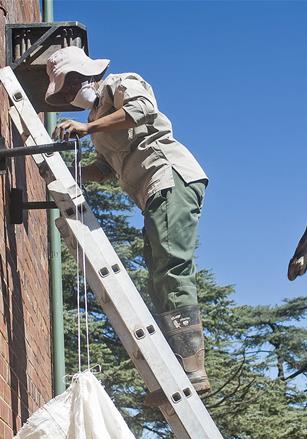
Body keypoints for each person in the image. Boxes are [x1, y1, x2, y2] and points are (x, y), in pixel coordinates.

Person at [43, 46, 210, 393]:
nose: (70, 93)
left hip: (170, 177)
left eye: (70, 83)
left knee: (171, 266)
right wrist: (66, 168)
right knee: (158, 273)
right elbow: (105, 169)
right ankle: (178, 364)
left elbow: (141, 110)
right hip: (152, 193)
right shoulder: (97, 123)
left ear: (85, 74)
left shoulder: (121, 83)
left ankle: (192, 365)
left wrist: (87, 128)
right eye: (64, 90)